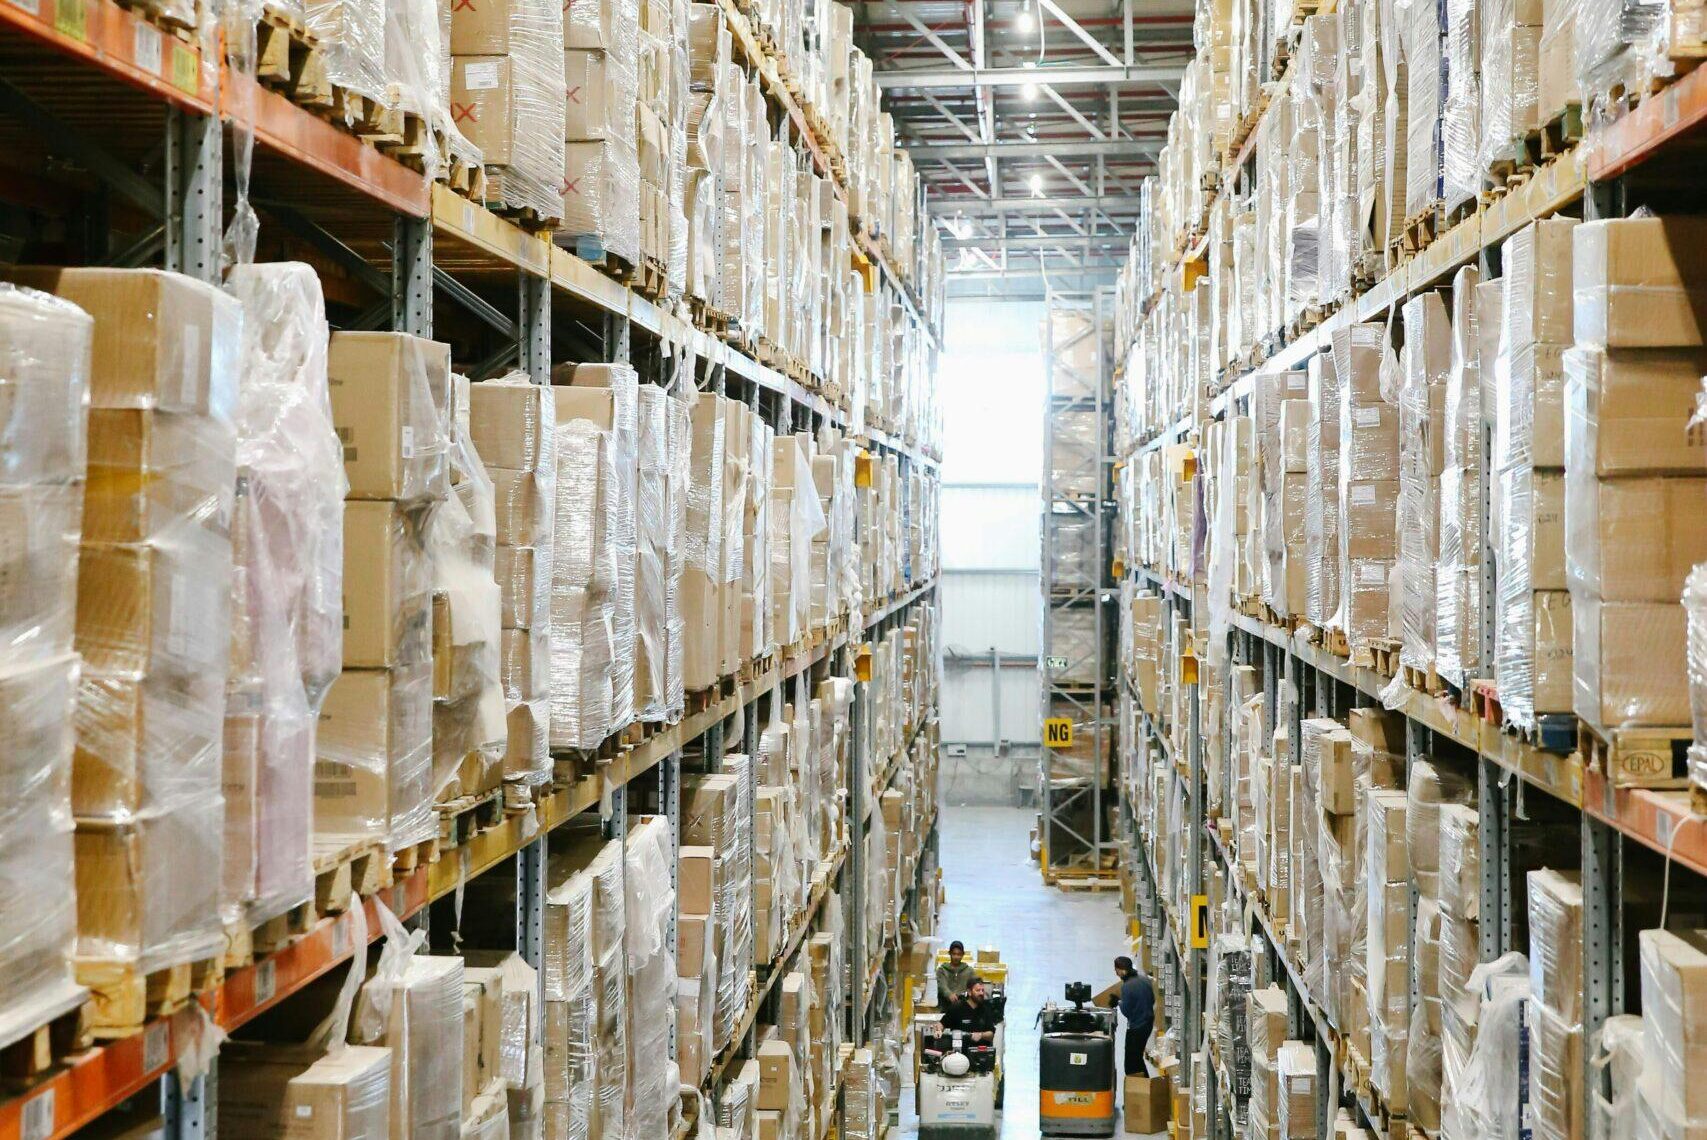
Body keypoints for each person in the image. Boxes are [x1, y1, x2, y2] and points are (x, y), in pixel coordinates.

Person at [1113, 956, 1155, 1076]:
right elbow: (1152, 1000)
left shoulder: (1127, 986)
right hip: (1148, 1023)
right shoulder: (1144, 979)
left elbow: (1127, 1011)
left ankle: (1139, 1088)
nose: (1116, 973)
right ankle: (1146, 1086)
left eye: (1116, 970)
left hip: (1136, 1026)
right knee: (1138, 1057)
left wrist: (1118, 1002)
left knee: (1131, 1063)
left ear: (1121, 970)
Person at [942, 977, 999, 1043]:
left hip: (980, 1050)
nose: (981, 993)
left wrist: (981, 1035)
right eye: (978, 990)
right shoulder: (956, 1008)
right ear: (969, 992)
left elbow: (991, 1034)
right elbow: (942, 1023)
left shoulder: (985, 1008)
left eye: (982, 990)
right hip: (960, 1050)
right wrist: (938, 1030)